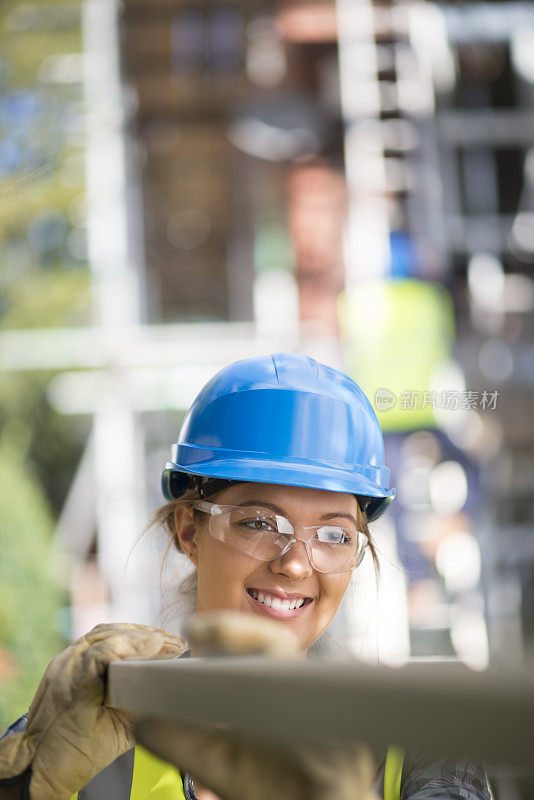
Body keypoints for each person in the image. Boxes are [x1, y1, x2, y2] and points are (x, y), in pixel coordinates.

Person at [0, 352, 492, 800]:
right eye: (258, 523)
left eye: (334, 534)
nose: (295, 563)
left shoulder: (423, 747)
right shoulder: (90, 750)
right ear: (189, 530)